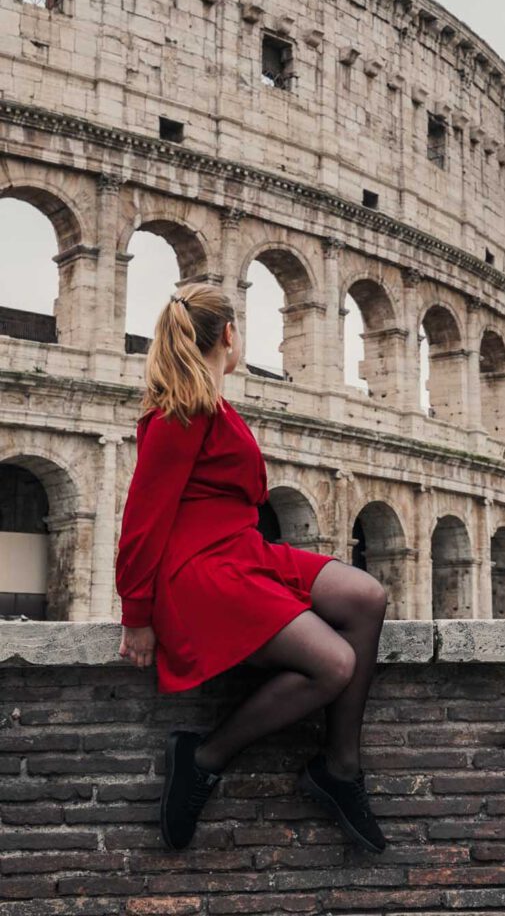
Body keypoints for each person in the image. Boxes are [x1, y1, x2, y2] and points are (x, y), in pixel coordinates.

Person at [115, 283, 388, 854]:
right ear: (230, 337)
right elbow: (142, 518)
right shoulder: (178, 415)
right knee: (333, 664)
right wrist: (136, 614)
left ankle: (340, 767)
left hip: (242, 550)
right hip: (202, 570)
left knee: (365, 595)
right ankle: (204, 757)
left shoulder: (212, 403)